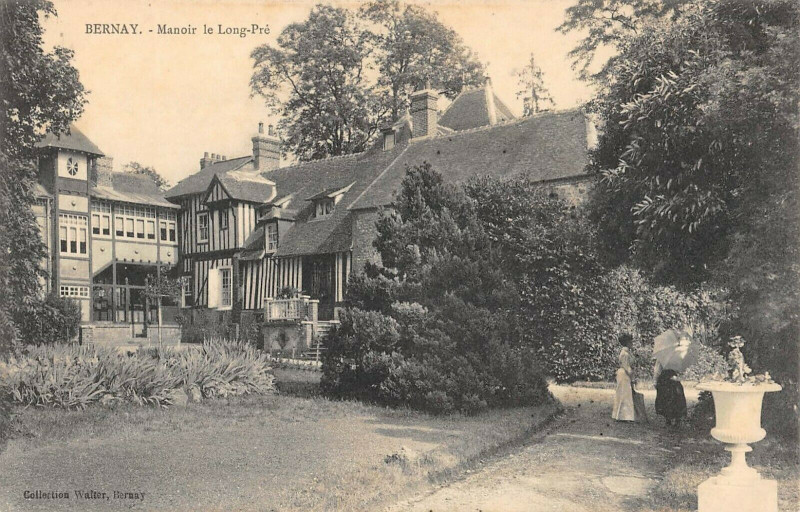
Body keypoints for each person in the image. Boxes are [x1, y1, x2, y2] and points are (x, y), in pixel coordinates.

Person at [654, 360, 687, 427]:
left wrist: (655, 380)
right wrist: (656, 380)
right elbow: (657, 371)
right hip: (665, 381)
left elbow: (657, 372)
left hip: (671, 380)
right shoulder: (662, 359)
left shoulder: (673, 358)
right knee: (667, 399)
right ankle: (669, 420)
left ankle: (675, 420)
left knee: (675, 399)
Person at [612, 333, 635, 422]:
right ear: (627, 342)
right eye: (631, 342)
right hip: (624, 374)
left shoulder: (627, 352)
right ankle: (624, 416)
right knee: (625, 394)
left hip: (624, 373)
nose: (632, 343)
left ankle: (622, 415)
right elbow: (626, 367)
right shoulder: (625, 353)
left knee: (625, 393)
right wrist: (632, 377)